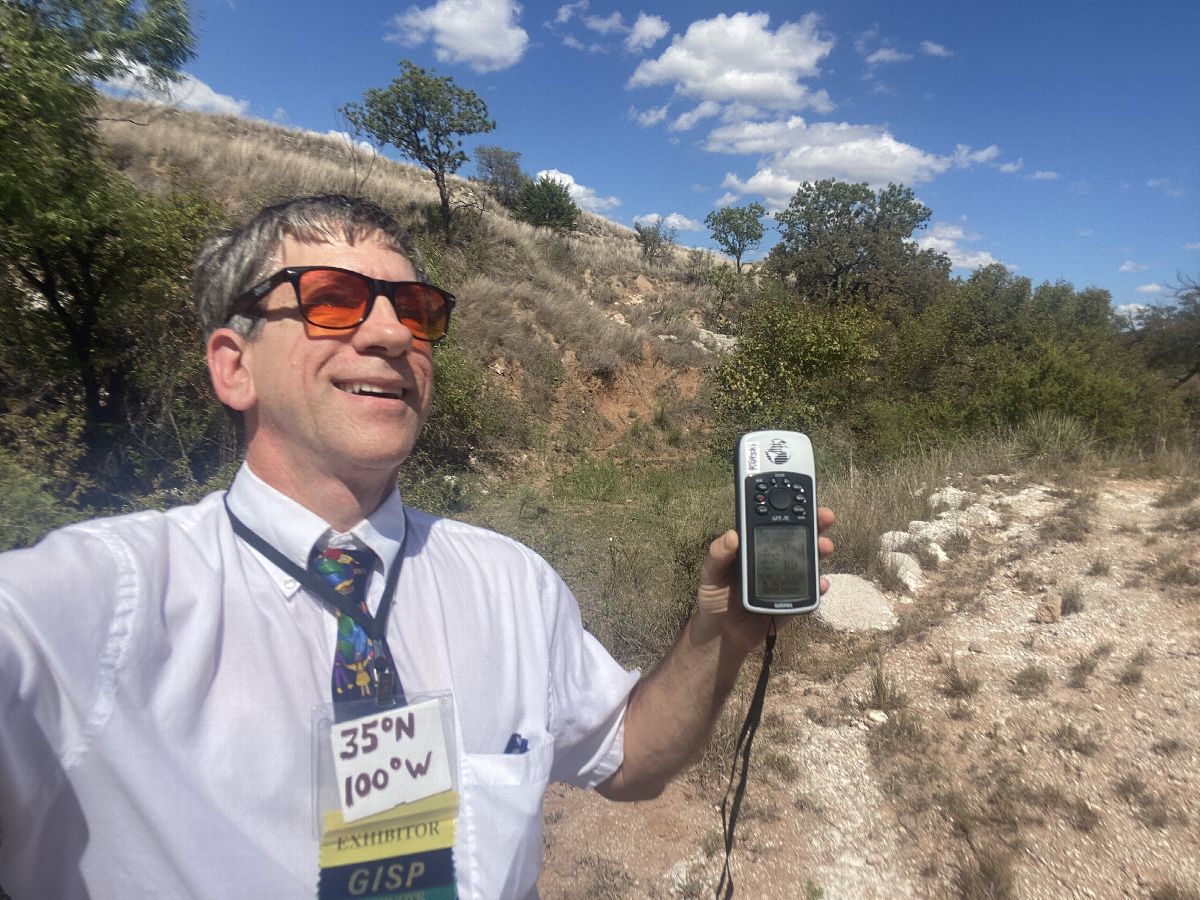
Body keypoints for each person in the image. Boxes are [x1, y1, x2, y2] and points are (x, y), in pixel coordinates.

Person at [0, 195, 834, 899]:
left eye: (417, 311)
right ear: (233, 366)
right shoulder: (94, 604)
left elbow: (631, 760)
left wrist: (720, 632)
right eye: (332, 298)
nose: (393, 334)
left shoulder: (513, 585)